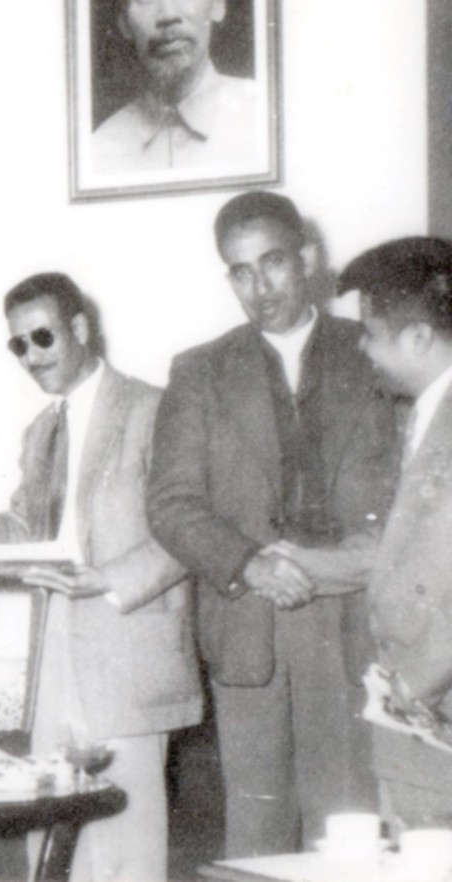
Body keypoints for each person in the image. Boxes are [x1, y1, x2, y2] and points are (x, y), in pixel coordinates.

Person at [147, 191, 400, 857]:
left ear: (308, 258)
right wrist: (252, 563)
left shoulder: (375, 352)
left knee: (348, 835)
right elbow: (171, 504)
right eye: (240, 271)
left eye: (274, 263)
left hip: (353, 627)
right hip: (250, 625)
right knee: (255, 840)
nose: (260, 287)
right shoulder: (198, 371)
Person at [0, 273, 202, 882]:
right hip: (53, 652)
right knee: (50, 840)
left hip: (127, 650)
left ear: (81, 328)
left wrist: (109, 580)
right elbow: (32, 528)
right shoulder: (40, 432)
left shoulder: (152, 408)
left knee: (126, 854)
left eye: (42, 337)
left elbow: (190, 528)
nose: (30, 356)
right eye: (18, 345)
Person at [335, 237, 452, 829]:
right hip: (417, 725)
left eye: (370, 332)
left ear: (418, 338)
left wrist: (412, 689)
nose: (362, 347)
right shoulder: (425, 414)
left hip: (434, 717)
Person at [93, 0, 263, 174]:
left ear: (218, 5)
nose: (167, 15)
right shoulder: (99, 150)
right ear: (124, 23)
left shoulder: (265, 118)